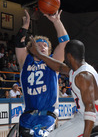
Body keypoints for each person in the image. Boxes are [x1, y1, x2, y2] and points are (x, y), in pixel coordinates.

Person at [15, 9, 70, 137]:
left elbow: (65, 43)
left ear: (49, 49)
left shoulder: (53, 61)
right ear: (31, 48)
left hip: (47, 116)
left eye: (45, 45)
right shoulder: (25, 60)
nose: (42, 46)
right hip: (27, 116)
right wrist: (26, 25)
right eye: (38, 44)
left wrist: (57, 22)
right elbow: (19, 42)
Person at [27, 38, 98, 137]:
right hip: (82, 116)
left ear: (68, 56)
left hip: (92, 120)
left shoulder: (84, 76)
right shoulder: (76, 70)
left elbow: (90, 109)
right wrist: (39, 54)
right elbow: (59, 67)